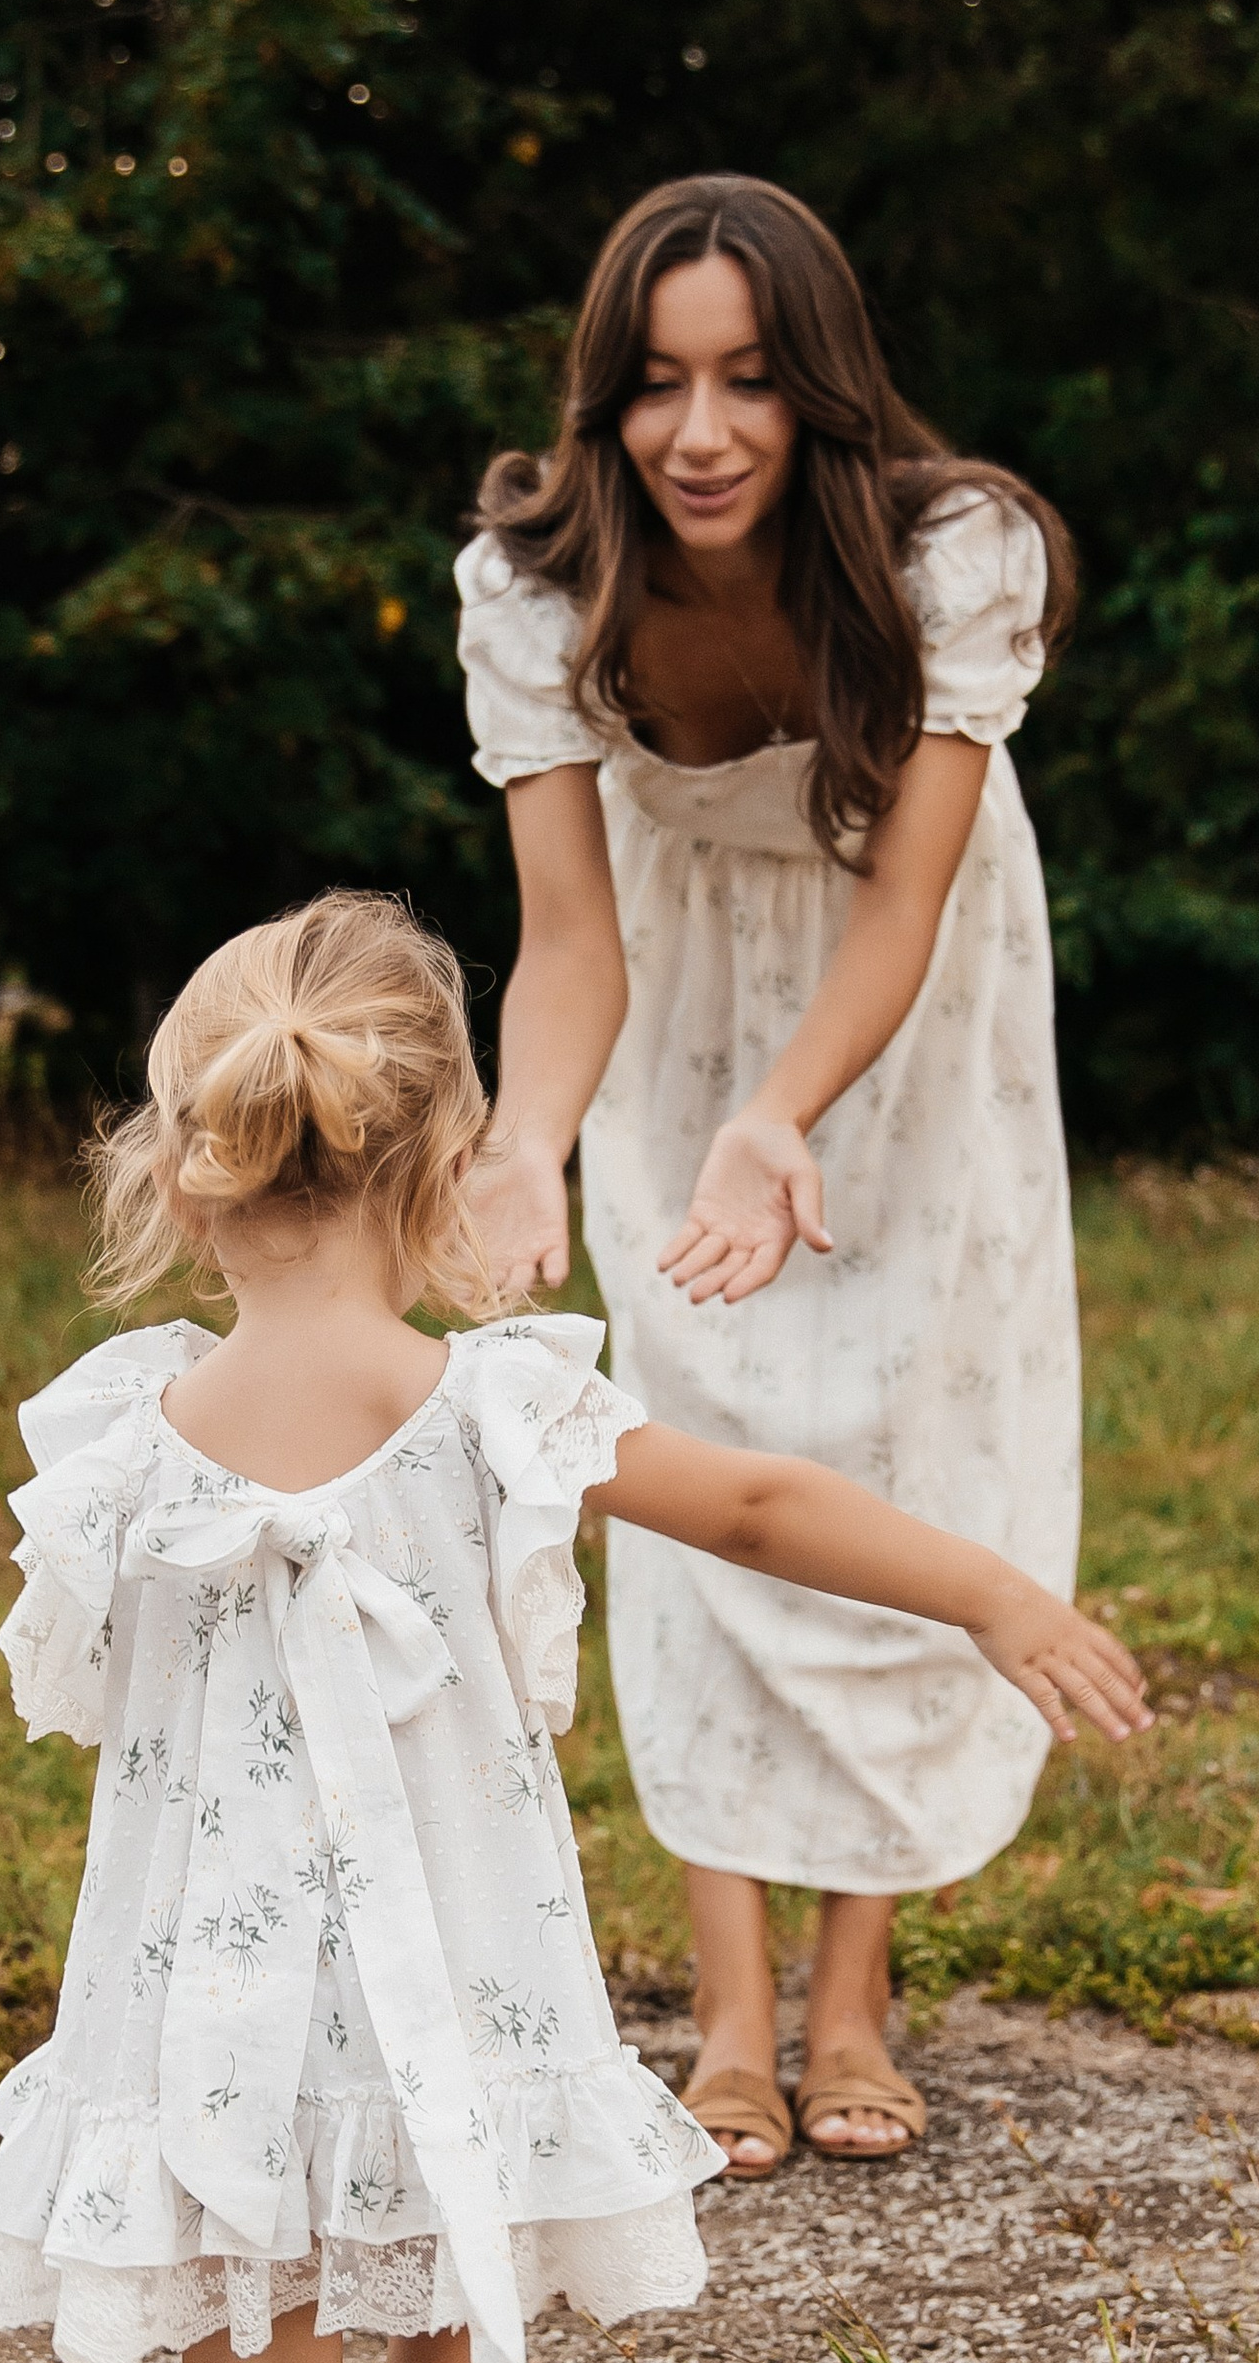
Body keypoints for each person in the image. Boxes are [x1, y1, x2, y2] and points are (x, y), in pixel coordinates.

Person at [0, 892, 1146, 2363]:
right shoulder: (491, 1409)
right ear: (448, 1162)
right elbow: (758, 1505)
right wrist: (990, 1592)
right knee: (464, 2241)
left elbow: (84, 1704)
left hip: (228, 2004)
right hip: (463, 1964)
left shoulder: (122, 1439)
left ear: (184, 1167)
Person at [461, 174, 1082, 2180]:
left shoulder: (947, 556)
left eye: (747, 380)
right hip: (675, 1000)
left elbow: (903, 900)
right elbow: (569, 940)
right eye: (657, 384)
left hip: (903, 1015)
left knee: (901, 1435)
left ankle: (852, 1995)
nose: (702, 432)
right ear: (605, 399)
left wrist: (785, 1110)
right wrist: (526, 1141)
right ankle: (729, 2008)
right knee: (695, 1439)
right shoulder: (538, 588)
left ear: (820, 388)